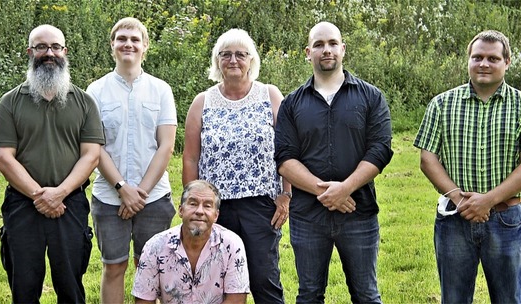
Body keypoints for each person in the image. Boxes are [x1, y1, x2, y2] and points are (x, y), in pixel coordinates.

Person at [274, 21, 393, 303]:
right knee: (309, 295)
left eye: (331, 44)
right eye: (318, 45)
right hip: (308, 216)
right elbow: (284, 158)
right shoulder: (292, 104)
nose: (326, 50)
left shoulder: (371, 97)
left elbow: (380, 150)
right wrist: (326, 192)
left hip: (358, 212)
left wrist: (346, 188)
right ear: (308, 52)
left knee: (366, 295)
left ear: (343, 49)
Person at [0, 24, 105, 303]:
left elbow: (91, 154)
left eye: (55, 47)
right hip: (22, 204)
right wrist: (39, 195)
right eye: (41, 47)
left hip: (70, 203)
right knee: (24, 285)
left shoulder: (84, 102)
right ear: (30, 52)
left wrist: (59, 193)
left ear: (65, 52)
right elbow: (3, 157)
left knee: (70, 284)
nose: (49, 53)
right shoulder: (9, 102)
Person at [182, 28, 288, 303]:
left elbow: (289, 151)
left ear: (251, 60)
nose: (233, 60)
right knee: (214, 282)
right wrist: (192, 204)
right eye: (225, 54)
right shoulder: (202, 102)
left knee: (264, 280)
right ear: (217, 61)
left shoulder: (270, 95)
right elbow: (191, 158)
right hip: (215, 208)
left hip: (261, 206)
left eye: (241, 54)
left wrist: (286, 195)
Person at [414, 30, 521, 303]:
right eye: (478, 57)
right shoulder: (441, 104)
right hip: (454, 219)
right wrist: (459, 198)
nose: (484, 63)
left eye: (493, 58)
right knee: (454, 298)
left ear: (507, 62)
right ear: (468, 61)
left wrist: (488, 200)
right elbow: (428, 159)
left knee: (510, 298)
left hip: (508, 220)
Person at [86, 17, 177, 303]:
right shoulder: (95, 91)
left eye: (135, 39)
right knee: (114, 266)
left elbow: (166, 145)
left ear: (145, 46)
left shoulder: (161, 90)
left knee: (151, 269)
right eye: (122, 38)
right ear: (112, 45)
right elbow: (95, 148)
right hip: (109, 197)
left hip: (154, 198)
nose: (128, 44)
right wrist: (123, 188)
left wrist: (140, 194)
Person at [132, 180, 250, 304]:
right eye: (193, 204)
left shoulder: (232, 245)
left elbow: (236, 300)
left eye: (207, 206)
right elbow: (144, 300)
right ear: (181, 210)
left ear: (216, 215)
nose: (199, 211)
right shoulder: (154, 247)